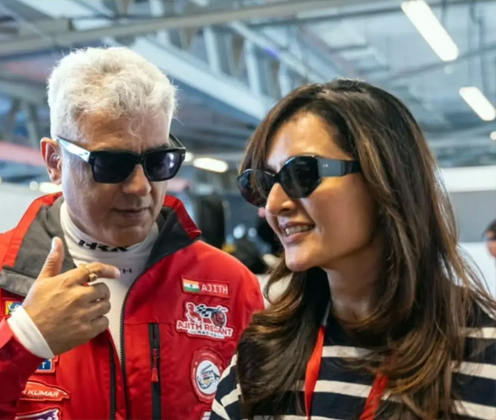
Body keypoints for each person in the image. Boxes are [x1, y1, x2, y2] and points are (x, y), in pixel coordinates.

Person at [0, 47, 263, 420]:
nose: (139, 187)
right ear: (54, 161)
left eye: (158, 161)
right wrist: (22, 341)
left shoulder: (229, 285)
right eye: (111, 164)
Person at [212, 79, 496, 420]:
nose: (273, 204)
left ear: (385, 178)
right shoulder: (261, 354)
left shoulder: (483, 353)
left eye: (302, 173)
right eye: (264, 182)